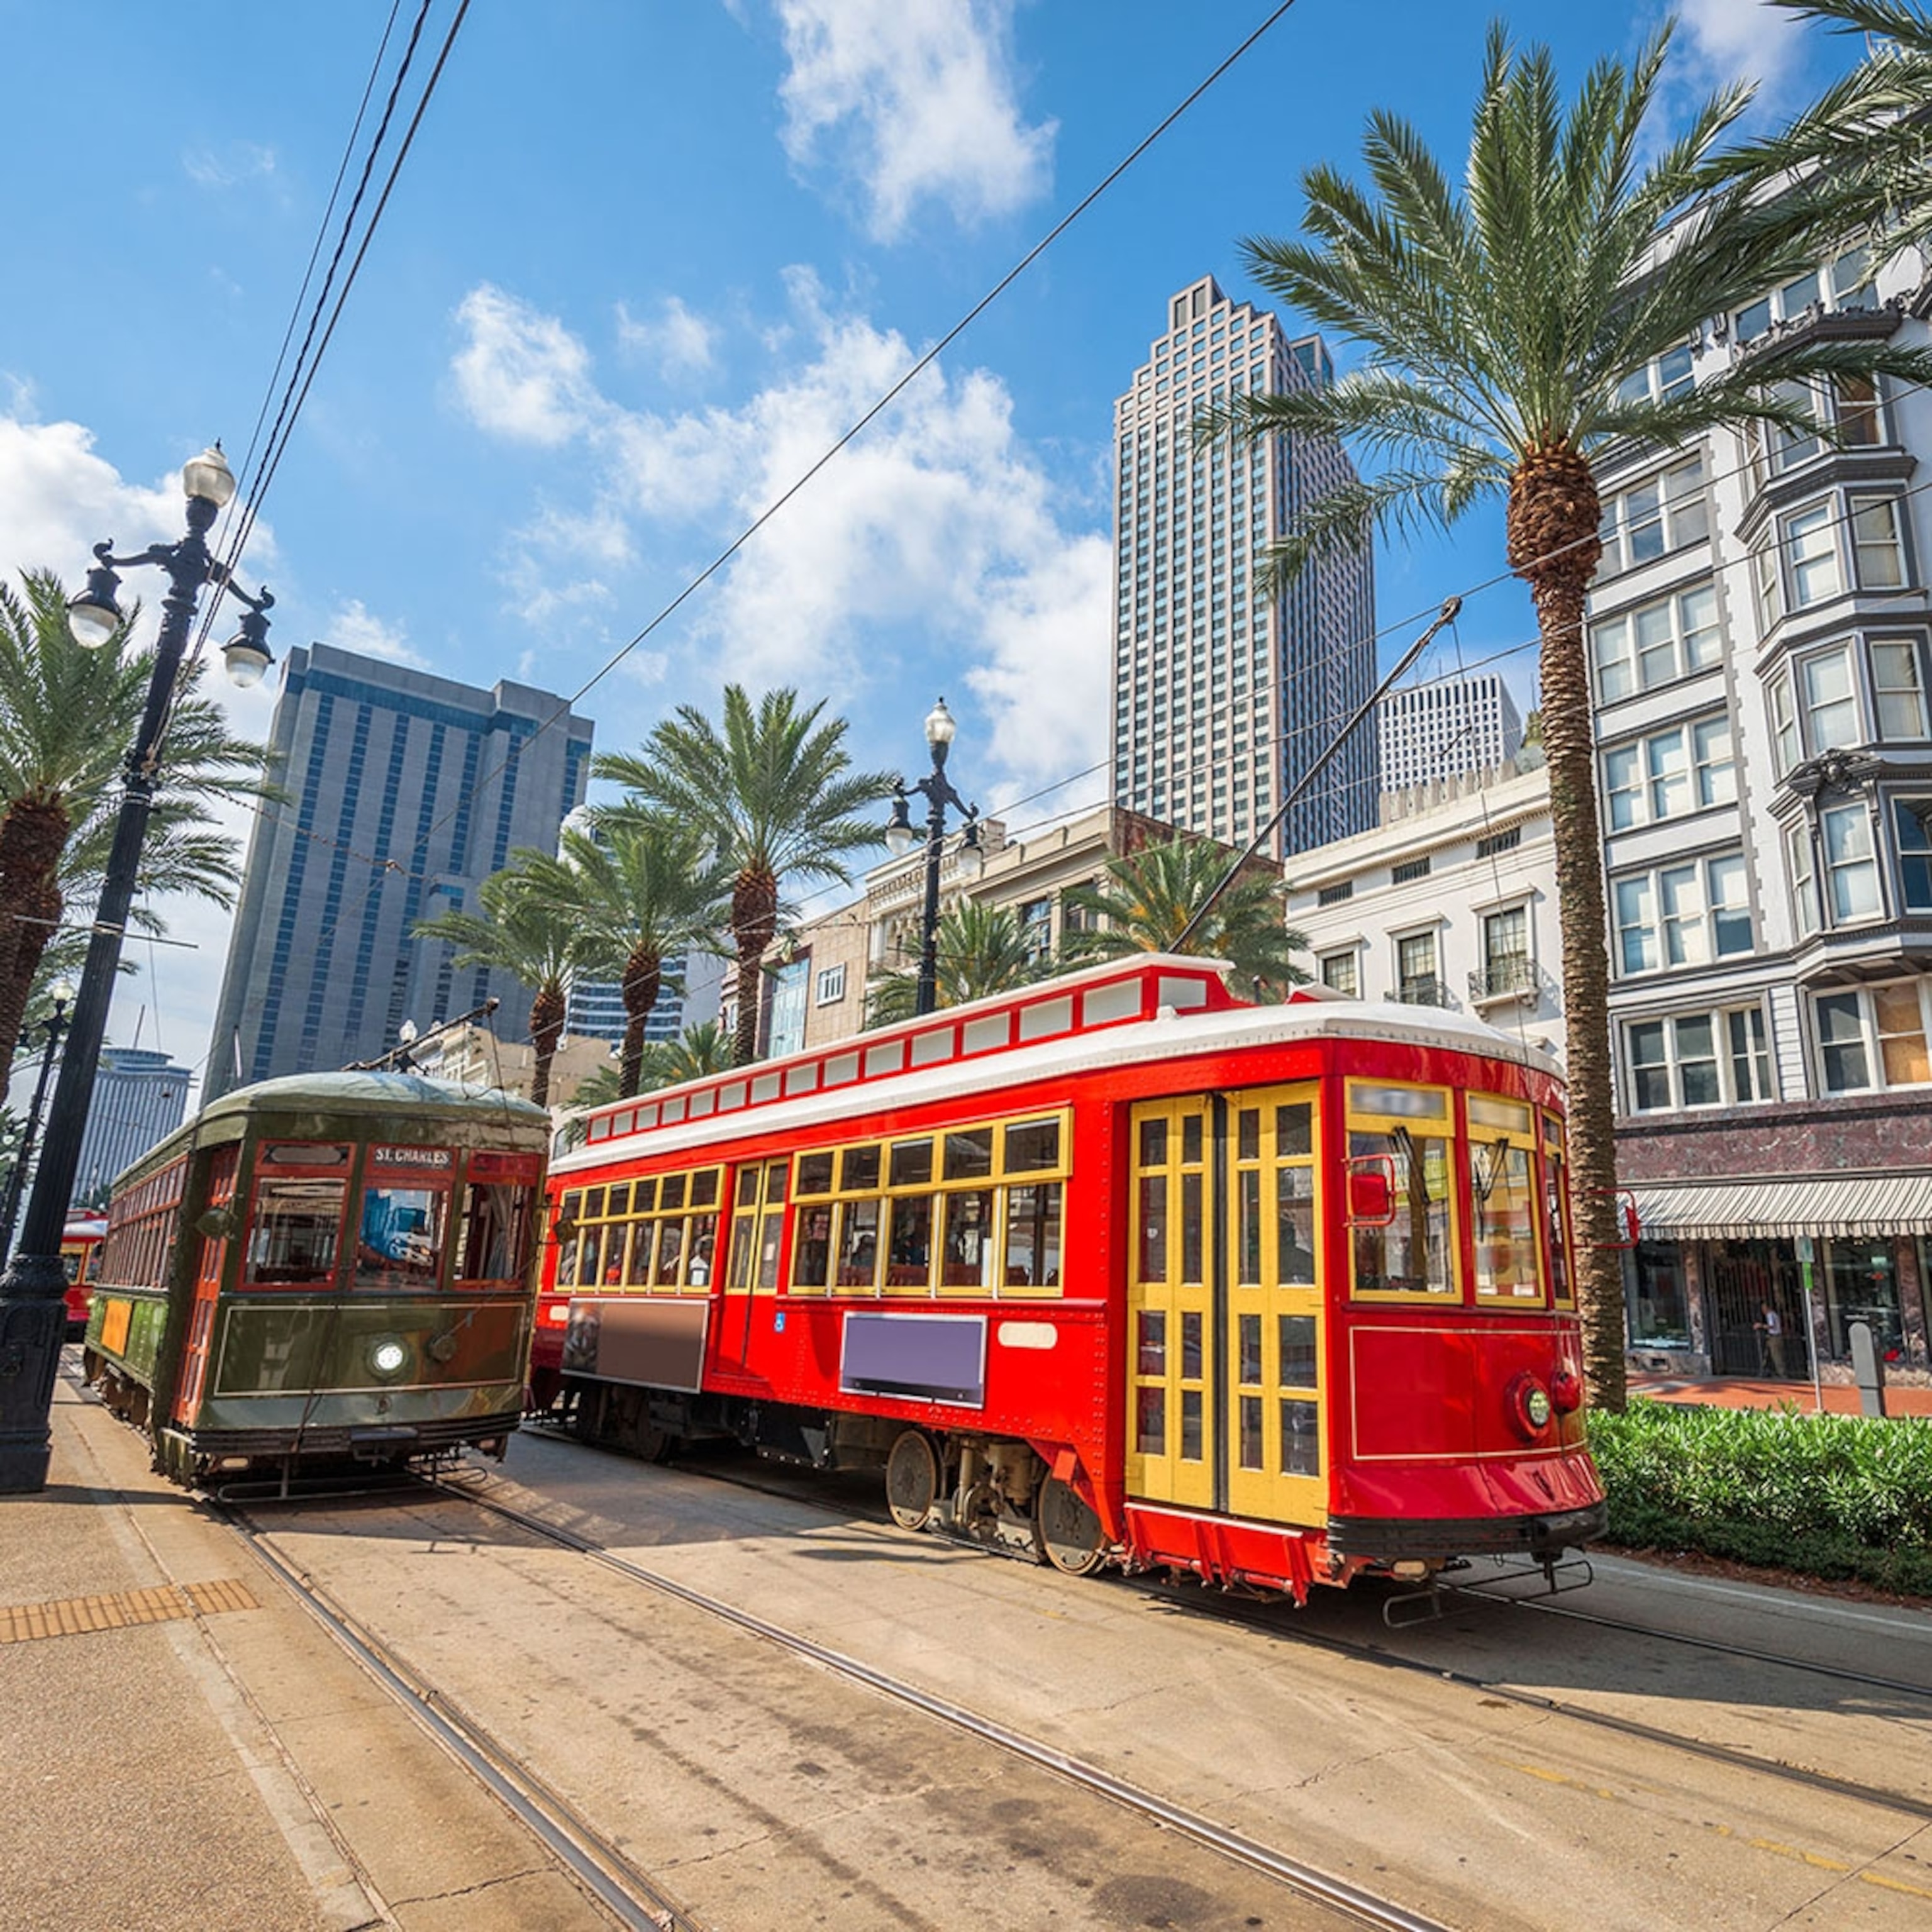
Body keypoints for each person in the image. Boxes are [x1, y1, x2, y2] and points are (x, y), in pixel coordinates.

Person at [1756, 1299, 1787, 1377]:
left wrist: (1761, 1326)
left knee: (1777, 1356)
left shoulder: (1770, 1315)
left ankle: (1782, 1374)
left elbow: (1771, 1326)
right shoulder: (1773, 1315)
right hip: (1774, 1337)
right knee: (1772, 1355)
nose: (1763, 1310)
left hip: (1775, 1337)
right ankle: (1775, 1372)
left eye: (1764, 1308)